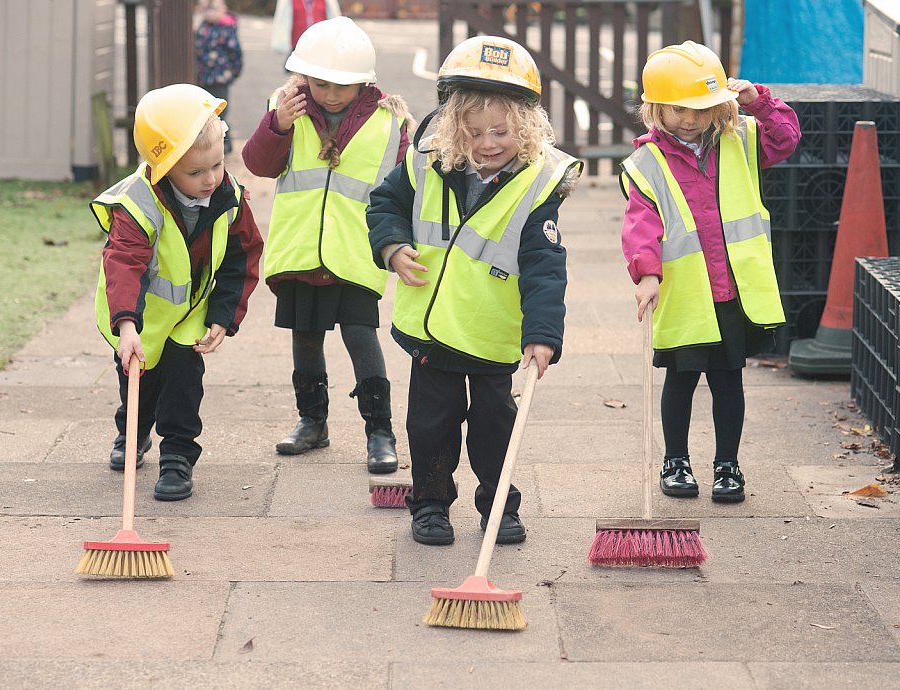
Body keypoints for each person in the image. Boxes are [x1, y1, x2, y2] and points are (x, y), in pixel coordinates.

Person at [366, 35, 582, 546]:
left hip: (493, 335)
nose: (488, 143)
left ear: (525, 128)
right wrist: (393, 247)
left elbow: (546, 266)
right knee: (429, 427)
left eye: (502, 132)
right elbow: (383, 206)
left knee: (495, 429)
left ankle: (500, 505)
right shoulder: (425, 163)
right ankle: (430, 504)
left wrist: (543, 334)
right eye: (476, 131)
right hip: (433, 331)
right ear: (453, 127)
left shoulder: (535, 187)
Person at [619, 41, 801, 503]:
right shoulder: (646, 162)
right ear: (655, 107)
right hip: (684, 295)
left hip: (731, 292)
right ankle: (675, 461)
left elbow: (786, 137)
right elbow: (641, 224)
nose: (690, 119)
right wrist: (647, 274)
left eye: (701, 108)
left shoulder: (740, 136)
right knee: (680, 382)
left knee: (728, 381)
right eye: (678, 109)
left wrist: (756, 99)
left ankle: (728, 465)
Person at [242, 16, 412, 474]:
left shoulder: (390, 122)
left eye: (344, 86)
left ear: (365, 82)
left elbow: (405, 187)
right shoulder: (286, 109)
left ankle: (380, 430)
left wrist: (400, 240)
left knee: (361, 335)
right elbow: (257, 164)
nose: (332, 95)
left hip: (357, 251)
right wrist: (276, 125)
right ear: (303, 77)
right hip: (300, 249)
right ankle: (312, 422)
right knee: (306, 337)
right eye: (321, 84)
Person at [94, 83, 263, 501]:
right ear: (164, 166)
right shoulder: (137, 205)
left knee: (184, 386)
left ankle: (177, 457)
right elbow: (125, 265)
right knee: (138, 381)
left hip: (189, 317)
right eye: (195, 172)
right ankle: (131, 432)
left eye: (217, 165)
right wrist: (127, 326)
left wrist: (224, 317)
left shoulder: (230, 200)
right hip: (140, 315)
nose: (210, 179)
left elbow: (242, 259)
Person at [194, 0, 243, 153]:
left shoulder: (226, 29)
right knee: (206, 112)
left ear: (222, 10)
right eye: (206, 10)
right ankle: (210, 142)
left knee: (220, 111)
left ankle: (225, 142)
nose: (209, 13)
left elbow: (236, 53)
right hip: (203, 78)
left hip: (220, 78)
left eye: (213, 9)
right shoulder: (202, 28)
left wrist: (232, 73)